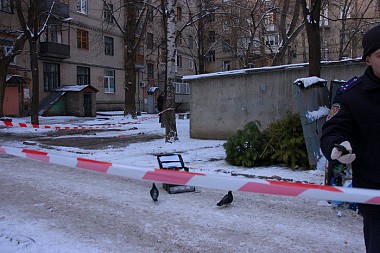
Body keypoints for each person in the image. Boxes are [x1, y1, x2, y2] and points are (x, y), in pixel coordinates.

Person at [320, 24, 380, 253]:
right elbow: (333, 129)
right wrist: (338, 146)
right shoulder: (353, 95)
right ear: (367, 59)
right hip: (376, 198)